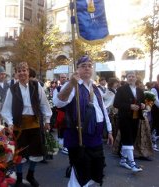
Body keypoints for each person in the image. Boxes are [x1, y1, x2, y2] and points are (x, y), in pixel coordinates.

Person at [53, 55, 113, 186]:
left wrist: (109, 130)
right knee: (80, 173)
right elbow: (58, 102)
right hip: (79, 137)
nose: (87, 68)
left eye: (89, 66)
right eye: (83, 66)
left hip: (95, 137)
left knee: (95, 170)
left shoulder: (95, 88)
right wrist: (71, 84)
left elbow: (103, 110)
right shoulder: (73, 86)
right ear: (77, 69)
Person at [0, 62, 52, 187]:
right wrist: (10, 123)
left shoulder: (36, 85)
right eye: (19, 71)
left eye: (24, 70)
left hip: (34, 122)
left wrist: (47, 120)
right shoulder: (12, 89)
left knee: (36, 152)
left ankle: (31, 175)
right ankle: (19, 178)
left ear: (28, 72)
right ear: (16, 74)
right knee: (19, 153)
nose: (22, 73)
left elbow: (44, 103)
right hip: (19, 124)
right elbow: (6, 109)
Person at [113, 71, 145, 172]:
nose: (131, 78)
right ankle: (132, 164)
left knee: (132, 138)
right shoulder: (121, 89)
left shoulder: (140, 90)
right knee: (128, 139)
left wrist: (143, 105)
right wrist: (129, 106)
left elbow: (142, 102)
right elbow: (116, 103)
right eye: (129, 77)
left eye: (133, 76)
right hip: (124, 118)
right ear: (126, 78)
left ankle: (123, 160)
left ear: (136, 78)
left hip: (136, 118)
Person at [52, 74, 68, 154]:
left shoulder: (70, 88)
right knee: (61, 127)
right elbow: (55, 101)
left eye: (65, 77)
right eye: (62, 77)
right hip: (61, 111)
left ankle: (66, 144)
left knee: (68, 127)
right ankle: (62, 145)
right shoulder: (57, 89)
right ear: (59, 79)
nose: (63, 79)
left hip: (69, 111)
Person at [151, 74, 159, 150]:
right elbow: (155, 100)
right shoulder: (154, 89)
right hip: (155, 111)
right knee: (155, 126)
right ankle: (153, 143)